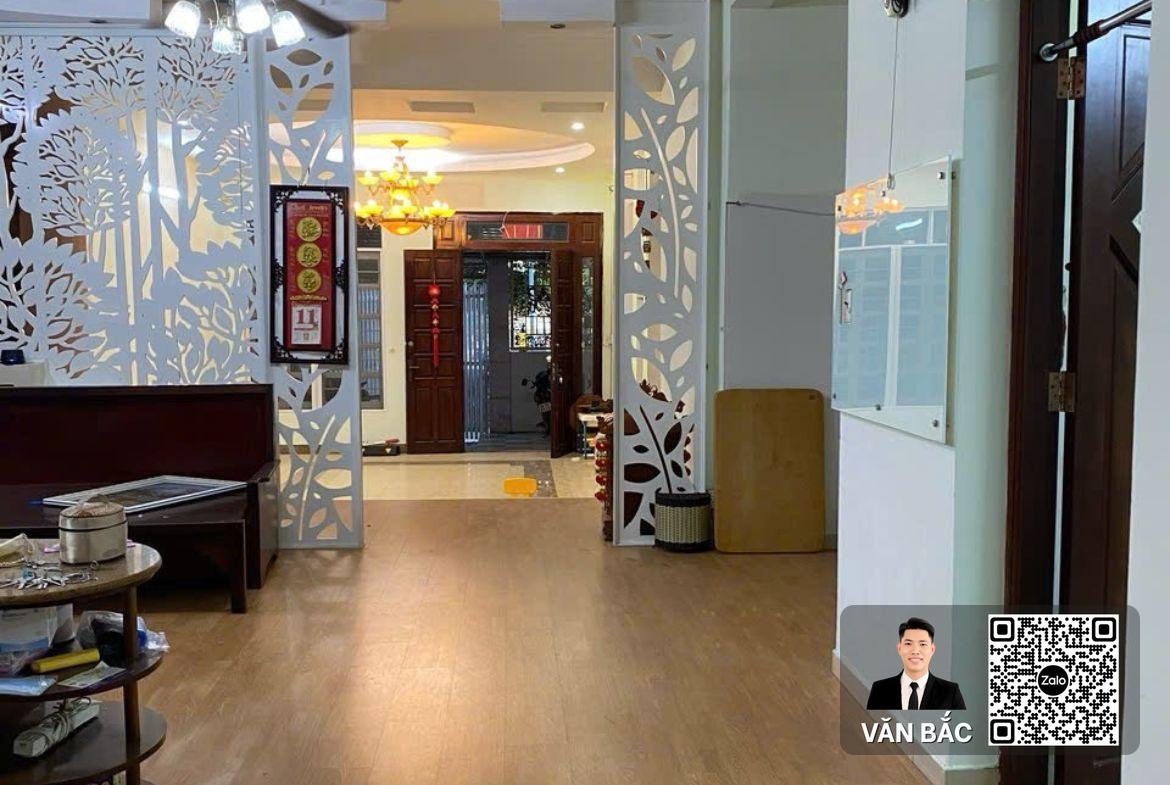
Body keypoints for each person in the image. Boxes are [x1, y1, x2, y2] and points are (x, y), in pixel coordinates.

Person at [866, 617, 966, 711]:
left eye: (923, 644)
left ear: (932, 649)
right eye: (908, 643)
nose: (915, 651)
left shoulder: (950, 692)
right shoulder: (879, 690)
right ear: (899, 648)